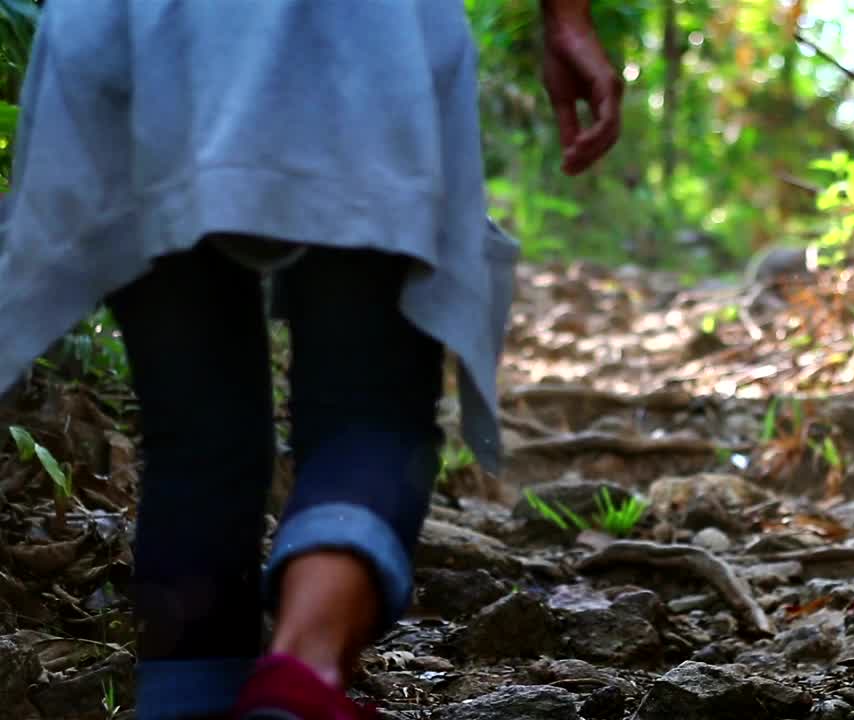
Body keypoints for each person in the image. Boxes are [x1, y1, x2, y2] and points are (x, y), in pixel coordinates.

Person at [0, 1, 623, 718]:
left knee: (197, 446)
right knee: (372, 409)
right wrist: (565, 16)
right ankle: (301, 673)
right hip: (357, 36)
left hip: (141, 29)